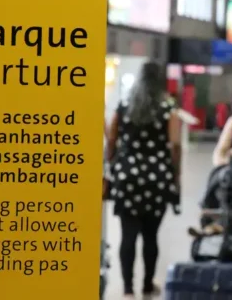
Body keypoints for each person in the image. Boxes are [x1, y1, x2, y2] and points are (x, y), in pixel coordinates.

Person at [104, 61, 182, 299]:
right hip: (156, 178)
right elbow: (175, 144)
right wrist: (175, 173)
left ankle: (128, 289)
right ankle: (148, 285)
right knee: (151, 236)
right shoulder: (168, 109)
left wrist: (112, 161)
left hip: (127, 176)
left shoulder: (125, 106)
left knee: (128, 235)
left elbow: (112, 140)